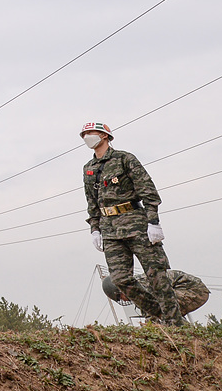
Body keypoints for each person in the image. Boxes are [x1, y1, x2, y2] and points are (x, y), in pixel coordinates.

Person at [81, 121, 185, 326]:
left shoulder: (124, 159)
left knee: (157, 275)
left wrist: (153, 221)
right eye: (84, 134)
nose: (86, 137)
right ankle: (161, 313)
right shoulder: (88, 168)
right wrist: (95, 228)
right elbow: (91, 201)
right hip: (109, 229)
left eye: (90, 132)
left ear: (104, 136)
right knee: (120, 279)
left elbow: (148, 190)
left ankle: (176, 325)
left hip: (136, 224)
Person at [102, 270, 210, 321]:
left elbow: (153, 312)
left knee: (166, 311)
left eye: (120, 296)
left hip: (194, 290)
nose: (124, 300)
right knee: (167, 315)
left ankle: (187, 334)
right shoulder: (136, 287)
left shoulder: (140, 285)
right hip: (182, 291)